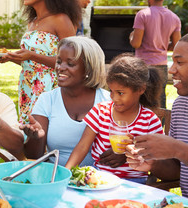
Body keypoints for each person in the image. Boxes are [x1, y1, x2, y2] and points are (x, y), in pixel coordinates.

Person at [0, 0, 81, 123]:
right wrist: (11, 58)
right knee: (29, 131)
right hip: (27, 85)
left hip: (50, 87)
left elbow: (72, 61)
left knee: (44, 130)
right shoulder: (33, 22)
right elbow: (32, 62)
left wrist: (31, 55)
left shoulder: (60, 20)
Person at [65, 54, 163, 183]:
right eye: (111, 91)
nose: (114, 98)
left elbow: (158, 159)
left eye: (120, 93)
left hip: (135, 181)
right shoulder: (101, 111)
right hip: (100, 178)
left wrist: (132, 150)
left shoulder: (150, 121)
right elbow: (82, 146)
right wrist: (66, 173)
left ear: (140, 89)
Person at [20, 36, 110, 166]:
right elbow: (33, 155)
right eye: (58, 61)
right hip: (58, 177)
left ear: (89, 68)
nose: (60, 68)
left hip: (100, 181)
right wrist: (36, 137)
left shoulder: (108, 101)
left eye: (70, 63)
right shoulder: (47, 100)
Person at [126, 34, 188, 197]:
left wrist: (179, 149)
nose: (172, 69)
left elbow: (180, 153)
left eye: (179, 62)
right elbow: (177, 171)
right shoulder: (181, 105)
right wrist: (152, 163)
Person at [129, 0, 181, 108]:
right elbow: (176, 46)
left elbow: (136, 43)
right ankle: (159, 126)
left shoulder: (142, 15)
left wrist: (131, 36)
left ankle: (140, 126)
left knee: (140, 98)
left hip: (142, 64)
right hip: (161, 65)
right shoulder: (174, 18)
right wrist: (162, 44)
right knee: (159, 100)